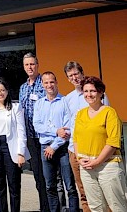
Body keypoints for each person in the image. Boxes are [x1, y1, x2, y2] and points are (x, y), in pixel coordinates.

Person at [73, 76, 127, 212]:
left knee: (117, 206)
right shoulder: (80, 114)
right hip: (86, 167)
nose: (89, 94)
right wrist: (79, 158)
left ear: (100, 92)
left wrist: (97, 161)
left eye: (92, 91)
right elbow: (76, 139)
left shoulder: (109, 113)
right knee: (95, 207)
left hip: (108, 166)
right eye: (85, 91)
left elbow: (113, 142)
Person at [63, 61, 110, 212]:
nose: (74, 78)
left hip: (97, 150)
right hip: (76, 151)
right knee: (83, 191)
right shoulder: (68, 99)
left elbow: (107, 121)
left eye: (76, 74)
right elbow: (70, 124)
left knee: (104, 191)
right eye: (70, 76)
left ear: (82, 73)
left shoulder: (98, 94)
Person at [0, 78, 31, 212]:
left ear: (7, 91)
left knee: (14, 185)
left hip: (11, 148)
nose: (0, 93)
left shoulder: (16, 107)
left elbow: (21, 131)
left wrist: (21, 153)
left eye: (2, 90)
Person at [33, 71, 79, 212]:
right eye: (46, 82)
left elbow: (67, 129)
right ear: (42, 84)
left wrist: (54, 146)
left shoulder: (65, 102)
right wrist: (54, 131)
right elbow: (37, 125)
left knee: (69, 185)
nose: (49, 85)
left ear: (56, 82)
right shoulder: (39, 104)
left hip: (62, 148)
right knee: (50, 185)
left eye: (51, 82)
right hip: (44, 148)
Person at [19, 52, 50, 212]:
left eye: (32, 64)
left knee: (50, 177)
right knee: (38, 175)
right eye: (27, 65)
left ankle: (55, 207)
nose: (30, 67)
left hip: (45, 138)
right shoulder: (23, 88)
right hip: (30, 138)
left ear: (37, 65)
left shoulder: (44, 84)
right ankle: (44, 207)